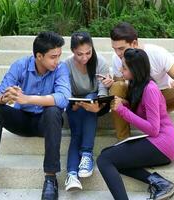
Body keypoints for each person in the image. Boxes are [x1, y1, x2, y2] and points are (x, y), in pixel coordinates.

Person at [0, 32, 71, 200]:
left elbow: (63, 98)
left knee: (54, 110)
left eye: (59, 56)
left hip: (45, 123)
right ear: (39, 56)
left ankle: (50, 178)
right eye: (53, 57)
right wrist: (6, 97)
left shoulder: (61, 68)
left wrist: (27, 99)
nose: (57, 60)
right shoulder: (20, 65)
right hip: (22, 120)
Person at [101, 22, 174, 171]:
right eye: (115, 49)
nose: (119, 54)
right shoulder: (117, 58)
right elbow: (121, 88)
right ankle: (124, 140)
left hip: (163, 96)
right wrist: (111, 84)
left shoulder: (157, 53)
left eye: (122, 48)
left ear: (135, 43)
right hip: (139, 101)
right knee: (117, 86)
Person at [97, 48, 174, 200]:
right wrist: (126, 104)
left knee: (104, 160)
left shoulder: (150, 89)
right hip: (159, 142)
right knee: (107, 156)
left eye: (125, 68)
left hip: (163, 142)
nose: (121, 70)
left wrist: (123, 110)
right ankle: (161, 183)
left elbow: (153, 129)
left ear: (135, 69)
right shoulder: (137, 85)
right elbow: (142, 113)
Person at [63, 32, 109, 191]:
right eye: (79, 54)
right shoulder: (66, 64)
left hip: (94, 104)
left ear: (92, 48)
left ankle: (81, 161)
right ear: (72, 51)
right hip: (73, 104)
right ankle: (74, 173)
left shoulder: (100, 62)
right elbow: (65, 91)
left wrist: (98, 105)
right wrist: (74, 104)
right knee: (76, 134)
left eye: (88, 52)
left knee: (91, 96)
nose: (84, 58)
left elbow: (103, 91)